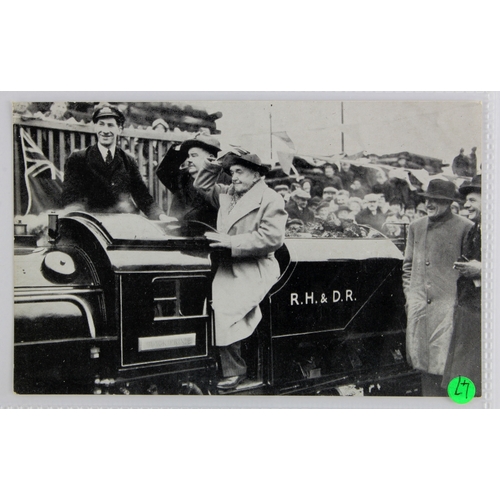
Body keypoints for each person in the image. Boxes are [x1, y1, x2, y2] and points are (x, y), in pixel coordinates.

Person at [194, 153, 287, 391]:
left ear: (256, 175)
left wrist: (232, 242)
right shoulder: (227, 194)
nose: (234, 177)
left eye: (239, 172)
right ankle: (223, 365)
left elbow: (272, 238)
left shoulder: (270, 198)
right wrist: (214, 166)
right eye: (232, 172)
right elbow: (201, 185)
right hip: (227, 264)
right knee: (210, 305)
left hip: (255, 266)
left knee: (226, 308)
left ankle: (235, 371)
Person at [402, 179, 474, 396]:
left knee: (450, 370)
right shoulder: (416, 227)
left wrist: (456, 306)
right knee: (425, 371)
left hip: (449, 311)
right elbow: (407, 267)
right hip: (420, 311)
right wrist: (411, 297)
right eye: (428, 199)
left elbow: (468, 272)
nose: (430, 204)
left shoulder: (465, 227)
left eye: (437, 200)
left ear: (449, 203)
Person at [61, 103, 168, 220]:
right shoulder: (78, 158)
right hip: (92, 225)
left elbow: (142, 196)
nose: (105, 131)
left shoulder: (128, 160)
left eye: (110, 125)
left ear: (120, 130)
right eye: (101, 125)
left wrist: (161, 216)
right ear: (95, 127)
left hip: (123, 223)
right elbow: (70, 199)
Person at [442, 175, 482, 395]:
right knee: (466, 382)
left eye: (473, 200)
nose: (466, 205)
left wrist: (483, 270)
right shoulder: (475, 230)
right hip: (469, 314)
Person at [156, 133, 229, 228]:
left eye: (194, 155)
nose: (189, 160)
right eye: (188, 156)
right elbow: (163, 171)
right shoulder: (183, 177)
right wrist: (182, 148)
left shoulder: (225, 179)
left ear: (211, 158)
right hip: (177, 235)